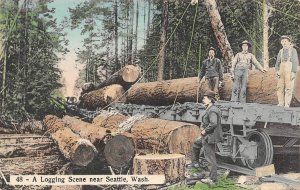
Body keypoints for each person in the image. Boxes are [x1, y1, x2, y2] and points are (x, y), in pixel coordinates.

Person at [191, 90, 223, 184]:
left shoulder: (212, 110)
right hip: (207, 135)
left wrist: (205, 130)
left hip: (209, 136)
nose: (203, 100)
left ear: (210, 100)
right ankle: (195, 164)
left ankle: (212, 179)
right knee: (196, 144)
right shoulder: (210, 108)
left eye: (204, 98)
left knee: (210, 157)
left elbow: (213, 123)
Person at [275, 35, 299, 107]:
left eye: (285, 41)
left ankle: (287, 103)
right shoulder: (281, 51)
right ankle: (281, 102)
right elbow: (277, 62)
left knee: (289, 87)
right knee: (280, 87)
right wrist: (277, 70)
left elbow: (295, 61)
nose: (284, 43)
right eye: (282, 41)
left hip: (289, 69)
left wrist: (293, 72)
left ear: (289, 42)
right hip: (281, 69)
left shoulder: (293, 50)